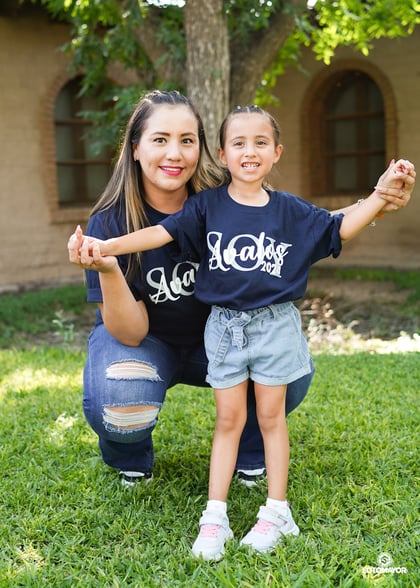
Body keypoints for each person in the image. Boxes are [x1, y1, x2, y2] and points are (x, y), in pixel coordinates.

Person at [73, 103, 415, 561]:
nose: (174, 151)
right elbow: (159, 239)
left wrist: (378, 197)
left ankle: (274, 504)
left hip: (252, 332)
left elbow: (328, 228)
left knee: (276, 398)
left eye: (186, 140)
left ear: (276, 152)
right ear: (134, 148)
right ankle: (176, 490)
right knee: (183, 408)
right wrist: (107, 252)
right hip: (190, 337)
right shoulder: (185, 210)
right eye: (159, 139)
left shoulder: (259, 206)